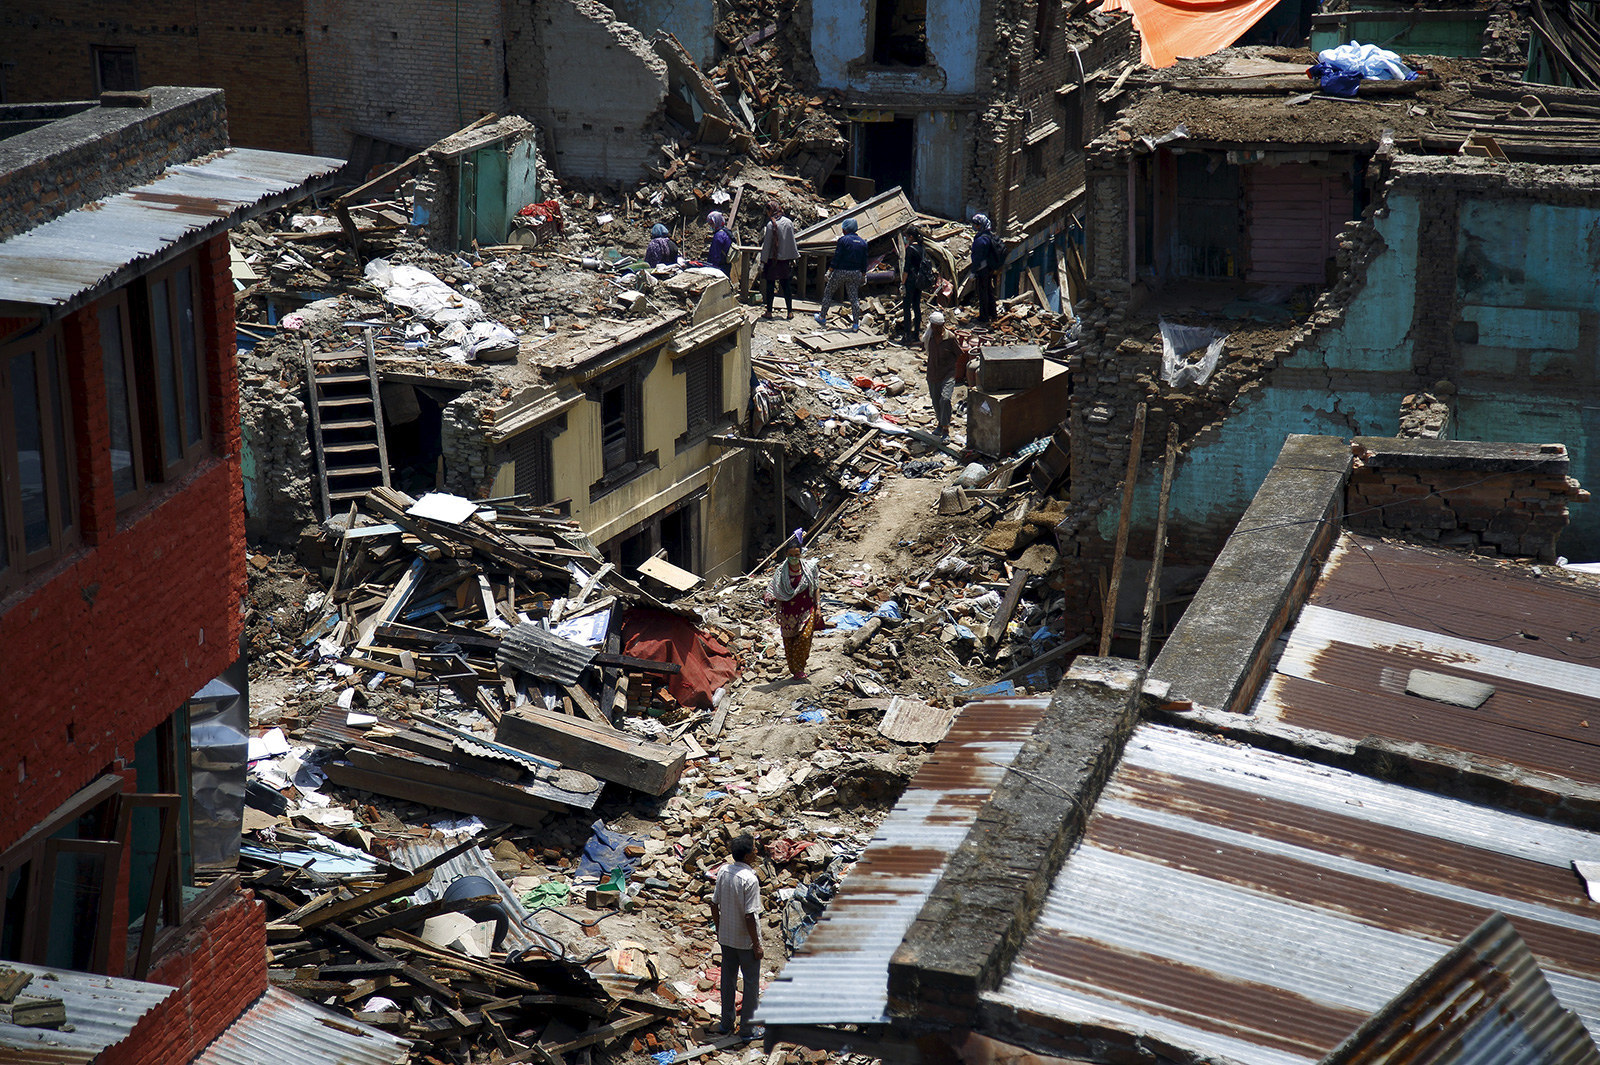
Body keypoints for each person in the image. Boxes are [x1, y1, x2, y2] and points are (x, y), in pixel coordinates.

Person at [710, 834, 763, 1038]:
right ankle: (748, 1030)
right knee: (750, 983)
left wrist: (719, 928)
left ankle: (726, 1023)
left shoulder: (723, 871)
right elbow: (750, 915)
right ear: (748, 855)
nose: (757, 852)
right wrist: (757, 945)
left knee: (727, 979)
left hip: (726, 937)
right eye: (755, 849)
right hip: (745, 941)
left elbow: (714, 904)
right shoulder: (750, 879)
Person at [762, 530, 821, 681]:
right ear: (786, 555)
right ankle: (796, 670)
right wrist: (778, 612)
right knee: (790, 642)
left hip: (807, 609)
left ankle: (800, 665)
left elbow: (815, 586)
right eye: (791, 555)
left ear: (801, 554)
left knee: (804, 638)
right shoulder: (781, 572)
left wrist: (818, 607)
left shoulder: (809, 568)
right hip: (788, 612)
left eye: (797, 555)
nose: (794, 558)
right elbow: (779, 592)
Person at [813, 217, 869, 332]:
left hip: (841, 271)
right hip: (855, 273)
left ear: (846, 229)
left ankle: (822, 317)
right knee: (854, 298)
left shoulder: (843, 240)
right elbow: (864, 261)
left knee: (829, 292)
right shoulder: (863, 243)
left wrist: (829, 271)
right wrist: (864, 275)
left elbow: (837, 257)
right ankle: (855, 324)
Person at [923, 312, 969, 439]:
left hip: (947, 374)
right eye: (934, 326)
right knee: (936, 402)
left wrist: (950, 364)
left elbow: (959, 354)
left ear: (943, 325)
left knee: (945, 399)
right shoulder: (929, 336)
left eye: (939, 326)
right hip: (933, 373)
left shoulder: (950, 338)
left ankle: (945, 429)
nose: (936, 329)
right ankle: (940, 424)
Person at [758, 200, 799, 319]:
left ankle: (769, 311)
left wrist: (763, 261)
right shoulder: (789, 223)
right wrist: (793, 256)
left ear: (771, 210)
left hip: (772, 259)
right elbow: (792, 241)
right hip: (785, 260)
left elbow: (767, 245)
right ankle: (790, 312)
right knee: (786, 286)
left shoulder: (771, 225)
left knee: (770, 285)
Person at [970, 213, 999, 323]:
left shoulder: (981, 240)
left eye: (977, 225)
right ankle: (993, 314)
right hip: (989, 268)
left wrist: (973, 272)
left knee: (982, 294)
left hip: (982, 270)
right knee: (989, 291)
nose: (975, 227)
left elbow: (977, 258)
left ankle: (984, 317)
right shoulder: (989, 235)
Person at [901, 226, 928, 343]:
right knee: (917, 307)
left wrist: (902, 283)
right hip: (919, 281)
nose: (906, 239)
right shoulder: (922, 248)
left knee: (907, 308)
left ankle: (907, 335)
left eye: (906, 236)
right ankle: (916, 334)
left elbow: (906, 269)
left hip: (910, 281)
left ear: (911, 237)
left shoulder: (910, 249)